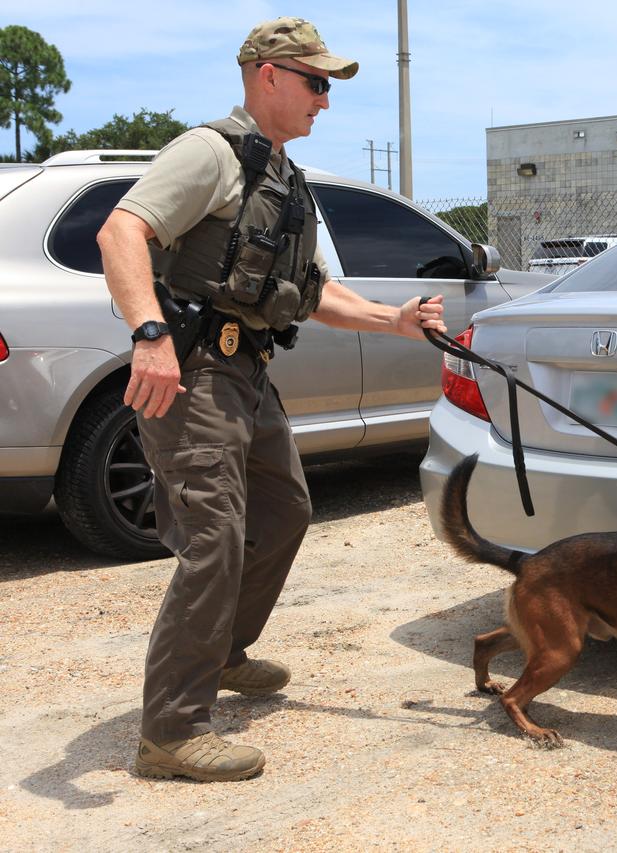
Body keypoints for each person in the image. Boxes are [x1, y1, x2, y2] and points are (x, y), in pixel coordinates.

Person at [96, 16, 447, 783]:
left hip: (249, 374)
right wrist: (149, 333)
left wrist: (394, 321)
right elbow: (121, 233)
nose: (325, 100)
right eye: (317, 82)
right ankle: (171, 730)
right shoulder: (210, 153)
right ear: (270, 76)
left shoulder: (282, 177)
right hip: (195, 375)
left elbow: (309, 290)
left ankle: (222, 650)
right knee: (213, 539)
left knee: (285, 511)